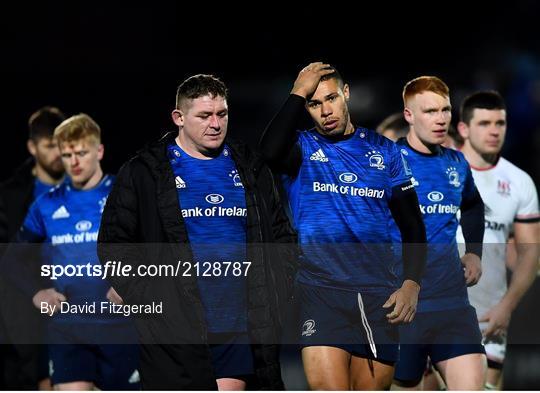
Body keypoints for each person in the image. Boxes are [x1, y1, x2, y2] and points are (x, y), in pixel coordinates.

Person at [97, 74, 297, 390]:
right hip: (174, 332)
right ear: (179, 117)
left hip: (238, 325)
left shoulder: (249, 166)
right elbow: (115, 244)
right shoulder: (144, 171)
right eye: (204, 115)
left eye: (222, 114)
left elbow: (280, 233)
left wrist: (279, 286)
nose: (215, 124)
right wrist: (149, 297)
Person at [259, 62, 427, 390]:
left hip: (379, 296)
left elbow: (413, 227)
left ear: (346, 94)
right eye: (314, 103)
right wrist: (297, 91)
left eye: (332, 98)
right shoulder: (302, 150)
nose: (326, 111)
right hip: (320, 292)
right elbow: (268, 152)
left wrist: (411, 285)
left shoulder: (386, 153)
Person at [1, 114, 140, 390]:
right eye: (66, 155)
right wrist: (37, 292)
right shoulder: (46, 204)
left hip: (119, 327)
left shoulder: (125, 194)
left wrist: (135, 282)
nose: (73, 162)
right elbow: (11, 259)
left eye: (81, 153)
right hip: (67, 329)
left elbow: (160, 246)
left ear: (99, 151)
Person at [391, 76, 487, 390]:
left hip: (452, 304)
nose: (442, 118)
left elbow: (473, 205)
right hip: (401, 309)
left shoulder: (457, 163)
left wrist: (473, 250)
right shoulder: (385, 164)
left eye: (445, 110)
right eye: (431, 111)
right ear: (409, 115)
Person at [457, 91, 539, 389]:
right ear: (464, 128)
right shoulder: (439, 172)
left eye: (500, 123)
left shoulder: (519, 182)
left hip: (488, 318)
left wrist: (508, 306)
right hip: (436, 313)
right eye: (485, 123)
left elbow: (531, 253)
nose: (494, 131)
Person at [0, 106, 65, 390]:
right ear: (32, 147)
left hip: (74, 306)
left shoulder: (87, 187)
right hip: (25, 316)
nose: (57, 153)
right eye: (49, 146)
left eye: (62, 145)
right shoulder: (9, 197)